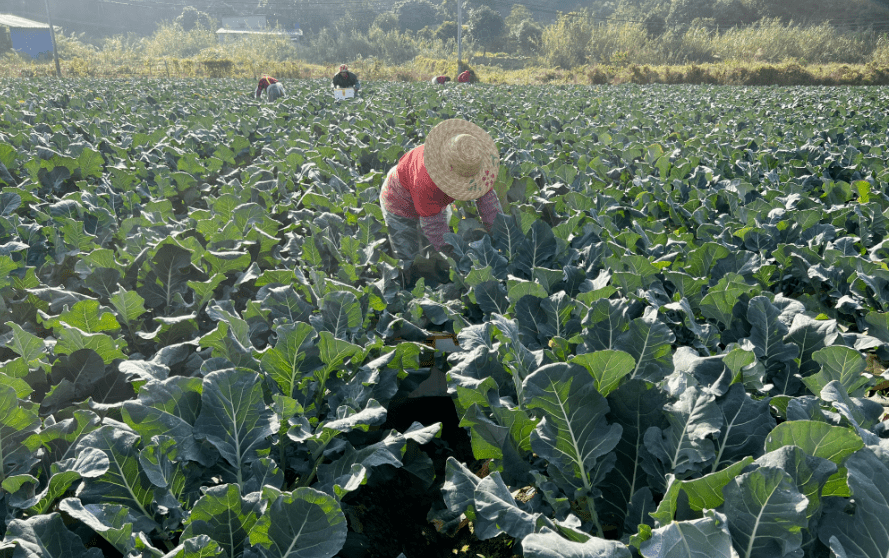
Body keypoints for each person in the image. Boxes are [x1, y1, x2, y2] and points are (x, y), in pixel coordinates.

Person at [380, 119, 504, 260]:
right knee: (409, 255)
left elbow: (490, 206)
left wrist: (501, 238)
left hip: (430, 197)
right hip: (398, 199)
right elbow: (435, 228)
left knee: (432, 249)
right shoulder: (427, 179)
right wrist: (457, 257)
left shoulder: (474, 163)